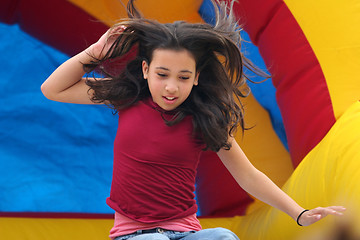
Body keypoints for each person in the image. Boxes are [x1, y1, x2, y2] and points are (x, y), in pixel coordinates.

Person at [41, 0, 345, 239]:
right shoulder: (127, 96)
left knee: (225, 236)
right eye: (162, 75)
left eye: (183, 77)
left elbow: (248, 176)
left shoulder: (205, 119)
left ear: (197, 78)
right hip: (135, 233)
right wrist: (95, 53)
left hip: (187, 232)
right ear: (146, 70)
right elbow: (52, 89)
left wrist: (299, 213)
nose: (171, 87)